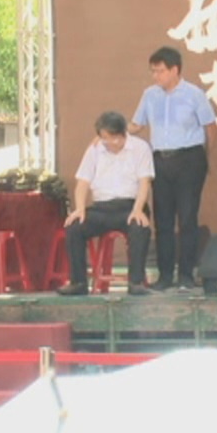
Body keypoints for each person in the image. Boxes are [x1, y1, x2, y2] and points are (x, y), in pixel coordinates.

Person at [130, 46, 215, 290]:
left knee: (187, 218)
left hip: (189, 159)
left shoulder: (194, 94)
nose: (155, 76)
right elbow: (136, 125)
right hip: (160, 160)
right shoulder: (149, 95)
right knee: (163, 220)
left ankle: (186, 274)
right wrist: (110, 134)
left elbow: (210, 127)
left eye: (160, 71)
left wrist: (204, 158)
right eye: (153, 71)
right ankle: (165, 275)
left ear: (175, 70)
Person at [57, 112, 156, 296]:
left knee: (139, 227)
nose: (111, 142)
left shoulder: (140, 148)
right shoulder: (95, 149)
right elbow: (83, 183)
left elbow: (145, 182)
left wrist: (137, 209)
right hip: (101, 208)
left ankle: (136, 282)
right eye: (105, 138)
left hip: (130, 205)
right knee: (74, 227)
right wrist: (79, 209)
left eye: (115, 138)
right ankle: (78, 282)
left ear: (124, 133)